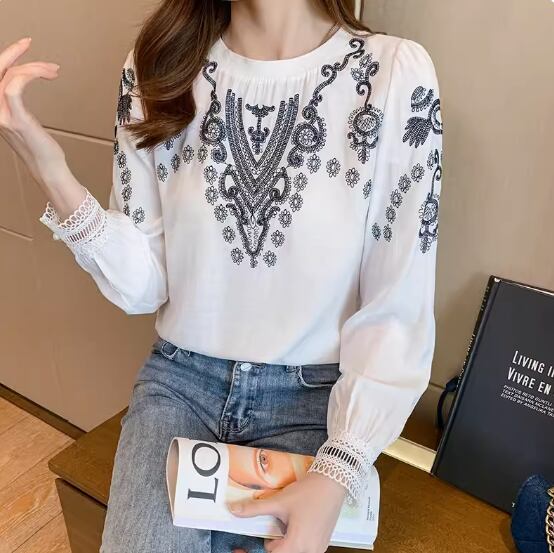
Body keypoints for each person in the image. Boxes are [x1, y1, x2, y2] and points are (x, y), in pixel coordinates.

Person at [0, 0, 443, 551]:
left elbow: (396, 305)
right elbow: (144, 285)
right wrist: (47, 165)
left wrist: (340, 465)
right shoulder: (157, 67)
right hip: (181, 385)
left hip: (318, 404)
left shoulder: (394, 76)